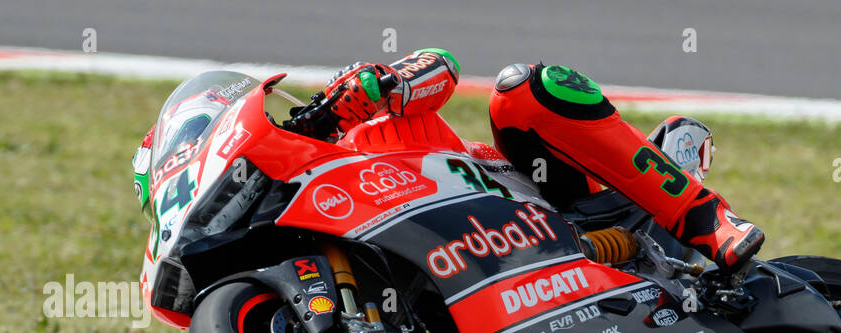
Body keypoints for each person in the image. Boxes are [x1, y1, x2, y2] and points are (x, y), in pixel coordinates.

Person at [299, 49, 765, 270]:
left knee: (523, 87)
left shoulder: (363, 118)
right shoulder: (293, 198)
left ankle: (704, 216)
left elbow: (441, 62)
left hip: (543, 209)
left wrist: (375, 87)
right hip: (465, 270)